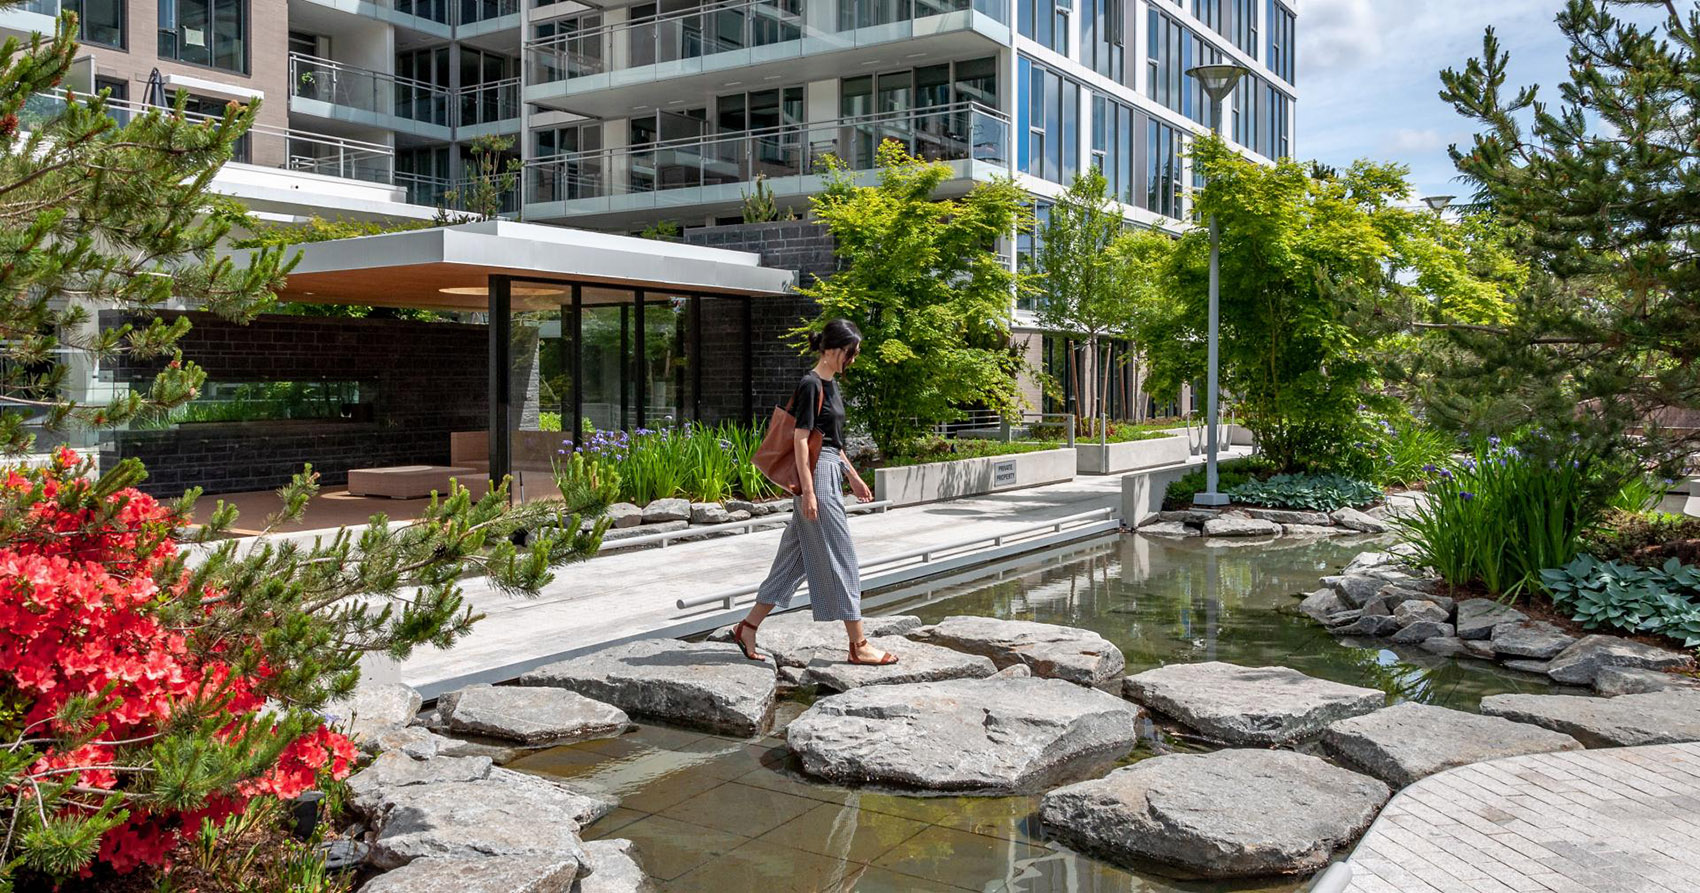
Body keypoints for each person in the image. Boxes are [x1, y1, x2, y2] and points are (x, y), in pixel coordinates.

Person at [730, 319, 897, 666]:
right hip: (816, 479)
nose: (853, 359)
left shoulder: (831, 385)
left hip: (830, 471)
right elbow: (802, 441)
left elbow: (831, 441)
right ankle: (859, 644)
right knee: (843, 556)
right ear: (836, 349)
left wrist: (852, 476)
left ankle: (747, 626)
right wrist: (808, 492)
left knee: (791, 563)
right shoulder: (810, 384)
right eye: (851, 353)